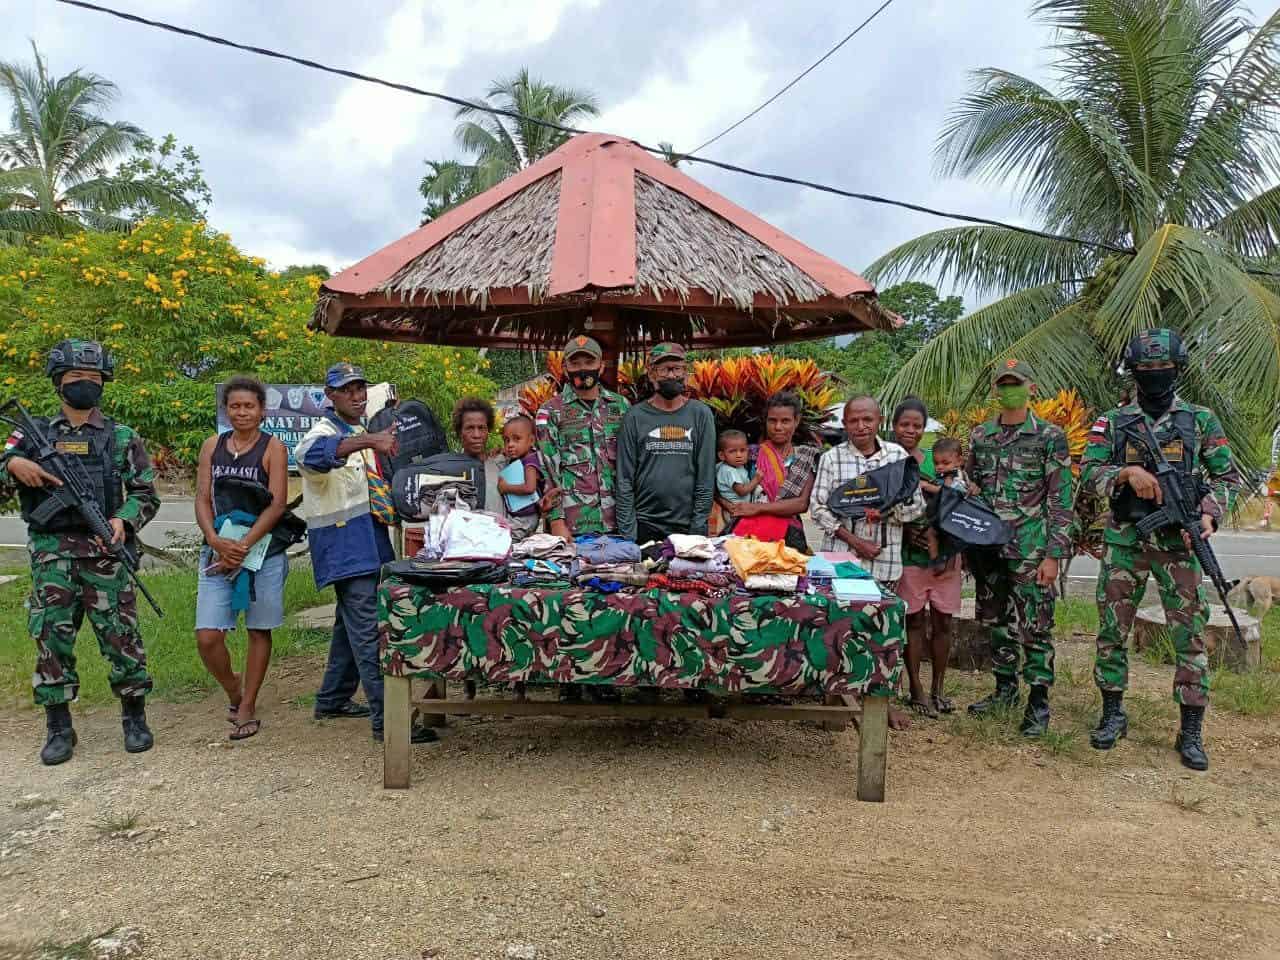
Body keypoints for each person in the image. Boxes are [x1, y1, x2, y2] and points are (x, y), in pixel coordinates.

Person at [1080, 329, 1242, 770]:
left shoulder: (1200, 420)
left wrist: (1209, 514)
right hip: (1125, 542)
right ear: (1133, 372)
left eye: (1163, 369)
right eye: (1146, 370)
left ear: (1177, 369)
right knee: (1113, 633)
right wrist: (1126, 473)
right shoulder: (1113, 422)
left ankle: (1190, 730)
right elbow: (1089, 472)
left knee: (1190, 637)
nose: (1156, 377)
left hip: (1179, 545)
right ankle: (1113, 714)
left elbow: (1228, 480)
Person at [0, 339, 160, 764]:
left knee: (121, 638)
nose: (85, 385)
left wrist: (123, 520)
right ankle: (58, 727)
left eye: (93, 379)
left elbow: (146, 492)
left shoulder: (121, 437)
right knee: (52, 637)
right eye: (76, 378)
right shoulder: (33, 434)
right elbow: (2, 471)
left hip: (105, 553)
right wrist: (13, 464)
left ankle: (134, 717)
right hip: (52, 556)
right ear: (58, 382)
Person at [295, 362, 435, 745]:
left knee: (350, 625)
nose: (357, 396)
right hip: (344, 547)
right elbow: (314, 458)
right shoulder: (323, 433)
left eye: (360, 389)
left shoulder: (361, 430)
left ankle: (333, 698)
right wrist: (370, 442)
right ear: (330, 395)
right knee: (370, 631)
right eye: (347, 390)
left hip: (371, 543)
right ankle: (387, 723)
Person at [964, 359, 1074, 738]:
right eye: (1003, 384)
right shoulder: (980, 436)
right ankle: (1005, 690)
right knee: (997, 623)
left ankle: (1038, 701)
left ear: (1031, 387)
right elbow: (971, 488)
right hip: (989, 548)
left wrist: (1053, 555)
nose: (1009, 389)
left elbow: (1061, 499)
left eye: (1016, 383)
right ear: (996, 390)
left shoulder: (1049, 436)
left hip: (1031, 548)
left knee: (1035, 627)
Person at [194, 376, 289, 741]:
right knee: (207, 636)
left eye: (249, 405)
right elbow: (203, 497)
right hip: (218, 549)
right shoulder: (212, 446)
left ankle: (248, 703)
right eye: (235, 405)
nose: (242, 412)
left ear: (262, 411)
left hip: (262, 550)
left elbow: (277, 503)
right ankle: (234, 687)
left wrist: (245, 544)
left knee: (258, 628)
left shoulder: (273, 448)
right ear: (226, 409)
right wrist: (216, 540)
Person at [892, 399, 964, 718]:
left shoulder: (938, 460)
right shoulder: (889, 460)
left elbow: (960, 503)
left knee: (944, 621)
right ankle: (916, 688)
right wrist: (909, 533)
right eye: (904, 424)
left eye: (916, 425)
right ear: (894, 426)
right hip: (909, 556)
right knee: (914, 621)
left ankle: (938, 688)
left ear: (924, 429)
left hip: (946, 557)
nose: (910, 430)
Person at [810, 396, 925, 582]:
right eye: (854, 421)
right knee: (842, 611)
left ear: (880, 420)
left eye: (868, 419)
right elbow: (817, 508)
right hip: (839, 562)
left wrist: (886, 512)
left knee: (882, 611)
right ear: (844, 424)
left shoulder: (898, 456)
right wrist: (855, 542)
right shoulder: (831, 459)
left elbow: (917, 505)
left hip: (885, 564)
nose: (861, 426)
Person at [616, 342, 717, 544]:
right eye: (664, 370)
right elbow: (624, 479)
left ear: (685, 373)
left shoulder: (700, 414)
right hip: (645, 524)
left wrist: (697, 528)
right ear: (652, 374)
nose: (671, 376)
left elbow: (706, 476)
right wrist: (629, 533)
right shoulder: (635, 417)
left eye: (676, 369)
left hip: (687, 525)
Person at [535, 334, 630, 539]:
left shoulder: (621, 406)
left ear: (601, 366)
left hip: (620, 521)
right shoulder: (550, 411)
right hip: (573, 525)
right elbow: (549, 470)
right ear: (564, 368)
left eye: (589, 362)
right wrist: (557, 521)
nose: (582, 368)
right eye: (575, 363)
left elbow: (632, 464)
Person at [720, 391, 819, 551]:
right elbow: (719, 480)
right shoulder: (750, 454)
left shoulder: (805, 457)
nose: (778, 427)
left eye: (785, 421)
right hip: (751, 534)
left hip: (789, 534)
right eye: (772, 420)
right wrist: (730, 505)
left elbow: (801, 504)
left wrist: (757, 508)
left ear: (796, 421)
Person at [497, 413, 543, 542]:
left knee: (506, 540)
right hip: (519, 515)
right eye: (507, 440)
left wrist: (506, 488)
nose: (510, 445)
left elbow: (530, 488)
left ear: (531, 441)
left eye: (516, 439)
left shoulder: (530, 462)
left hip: (527, 517)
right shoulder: (519, 459)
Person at [716, 430, 764, 504]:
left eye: (742, 450)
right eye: (732, 451)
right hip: (736, 508)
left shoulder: (729, 465)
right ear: (722, 455)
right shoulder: (729, 471)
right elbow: (742, 491)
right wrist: (756, 480)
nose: (739, 455)